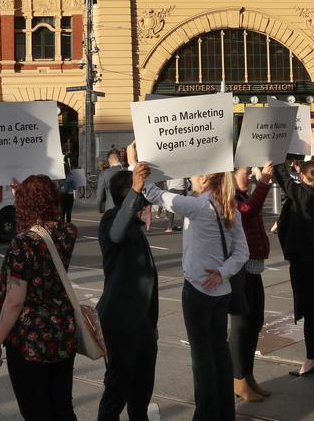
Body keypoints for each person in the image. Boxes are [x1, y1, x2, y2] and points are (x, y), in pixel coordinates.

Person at [131, 143, 248, 421]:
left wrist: (134, 164)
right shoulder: (230, 208)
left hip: (197, 291)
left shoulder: (198, 206)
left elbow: (155, 195)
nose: (190, 179)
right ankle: (223, 413)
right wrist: (223, 272)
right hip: (222, 291)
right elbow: (242, 252)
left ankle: (205, 414)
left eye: (194, 175)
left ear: (205, 178)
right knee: (220, 352)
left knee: (202, 357)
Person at [0, 175, 79, 421]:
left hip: (29, 340)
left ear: (26, 204)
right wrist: (23, 192)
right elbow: (43, 237)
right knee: (62, 407)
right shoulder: (67, 232)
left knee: (36, 411)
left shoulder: (23, 243)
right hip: (62, 331)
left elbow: (14, 302)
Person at [97, 164, 158, 420]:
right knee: (117, 391)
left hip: (142, 324)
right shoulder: (112, 219)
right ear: (127, 194)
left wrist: (151, 323)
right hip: (121, 323)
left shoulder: (135, 224)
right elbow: (117, 233)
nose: (144, 197)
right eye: (138, 193)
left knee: (141, 394)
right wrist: (136, 188)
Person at [274, 133, 314, 377]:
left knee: (310, 312)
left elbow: (283, 178)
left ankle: (310, 360)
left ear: (302, 176)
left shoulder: (302, 194)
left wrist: (277, 152)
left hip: (304, 261)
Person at [229, 162, 273, 402]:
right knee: (241, 326)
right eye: (246, 173)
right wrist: (264, 181)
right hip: (239, 271)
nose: (249, 176)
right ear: (233, 176)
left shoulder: (243, 195)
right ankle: (237, 379)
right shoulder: (230, 198)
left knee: (255, 322)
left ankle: (248, 374)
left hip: (253, 268)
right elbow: (247, 211)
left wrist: (260, 180)